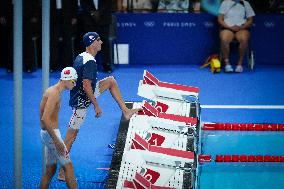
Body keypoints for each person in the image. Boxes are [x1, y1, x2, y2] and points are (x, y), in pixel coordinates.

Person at [57, 32, 140, 180]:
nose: (101, 42)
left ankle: (126, 111)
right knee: (71, 137)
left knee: (110, 81)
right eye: (99, 40)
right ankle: (62, 171)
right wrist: (96, 105)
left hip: (83, 94)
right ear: (92, 43)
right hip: (81, 102)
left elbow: (86, 83)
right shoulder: (90, 61)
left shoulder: (83, 56)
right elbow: (86, 85)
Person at [39, 67, 78, 189]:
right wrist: (56, 140)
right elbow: (45, 118)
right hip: (52, 135)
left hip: (47, 134)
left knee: (50, 170)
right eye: (73, 81)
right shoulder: (54, 93)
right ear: (66, 79)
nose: (75, 84)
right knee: (68, 167)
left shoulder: (52, 91)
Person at [218, 0, 255, 73]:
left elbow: (250, 20)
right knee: (224, 39)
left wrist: (242, 27)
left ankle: (239, 64)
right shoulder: (225, 2)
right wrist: (230, 27)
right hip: (228, 27)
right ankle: (227, 64)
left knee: (244, 39)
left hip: (241, 28)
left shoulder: (245, 3)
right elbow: (220, 19)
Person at [79, 0, 113, 73]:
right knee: (89, 44)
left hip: (104, 20)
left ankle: (106, 65)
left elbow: (109, 4)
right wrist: (92, 13)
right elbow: (83, 4)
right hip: (89, 21)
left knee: (104, 43)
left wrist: (99, 12)